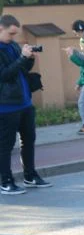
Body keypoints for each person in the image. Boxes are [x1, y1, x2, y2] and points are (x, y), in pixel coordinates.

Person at [0, 15, 50, 194]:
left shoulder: (12, 45)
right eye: (10, 33)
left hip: (24, 102)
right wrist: (22, 58)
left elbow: (21, 69)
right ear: (0, 29)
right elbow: (4, 75)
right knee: (5, 145)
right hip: (6, 106)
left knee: (28, 140)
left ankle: (30, 176)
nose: (13, 37)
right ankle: (5, 181)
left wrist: (29, 59)